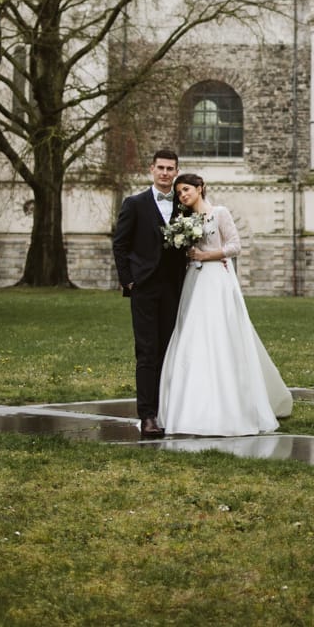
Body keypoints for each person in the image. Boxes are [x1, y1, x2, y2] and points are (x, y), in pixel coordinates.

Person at [157, 173, 293, 436]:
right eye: (179, 192)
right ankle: (188, 404)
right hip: (194, 279)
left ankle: (230, 403)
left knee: (217, 333)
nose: (183, 195)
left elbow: (235, 246)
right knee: (192, 334)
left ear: (200, 188)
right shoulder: (184, 220)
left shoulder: (219, 213)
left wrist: (206, 255)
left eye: (186, 190)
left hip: (215, 279)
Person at [111, 148, 187, 440]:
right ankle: (148, 416)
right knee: (146, 351)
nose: (165, 173)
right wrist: (128, 281)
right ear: (151, 169)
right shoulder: (135, 204)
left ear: (176, 172)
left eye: (170, 168)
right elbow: (120, 244)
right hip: (144, 288)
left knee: (169, 350)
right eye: (161, 168)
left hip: (175, 288)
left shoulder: (184, 206)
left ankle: (169, 410)